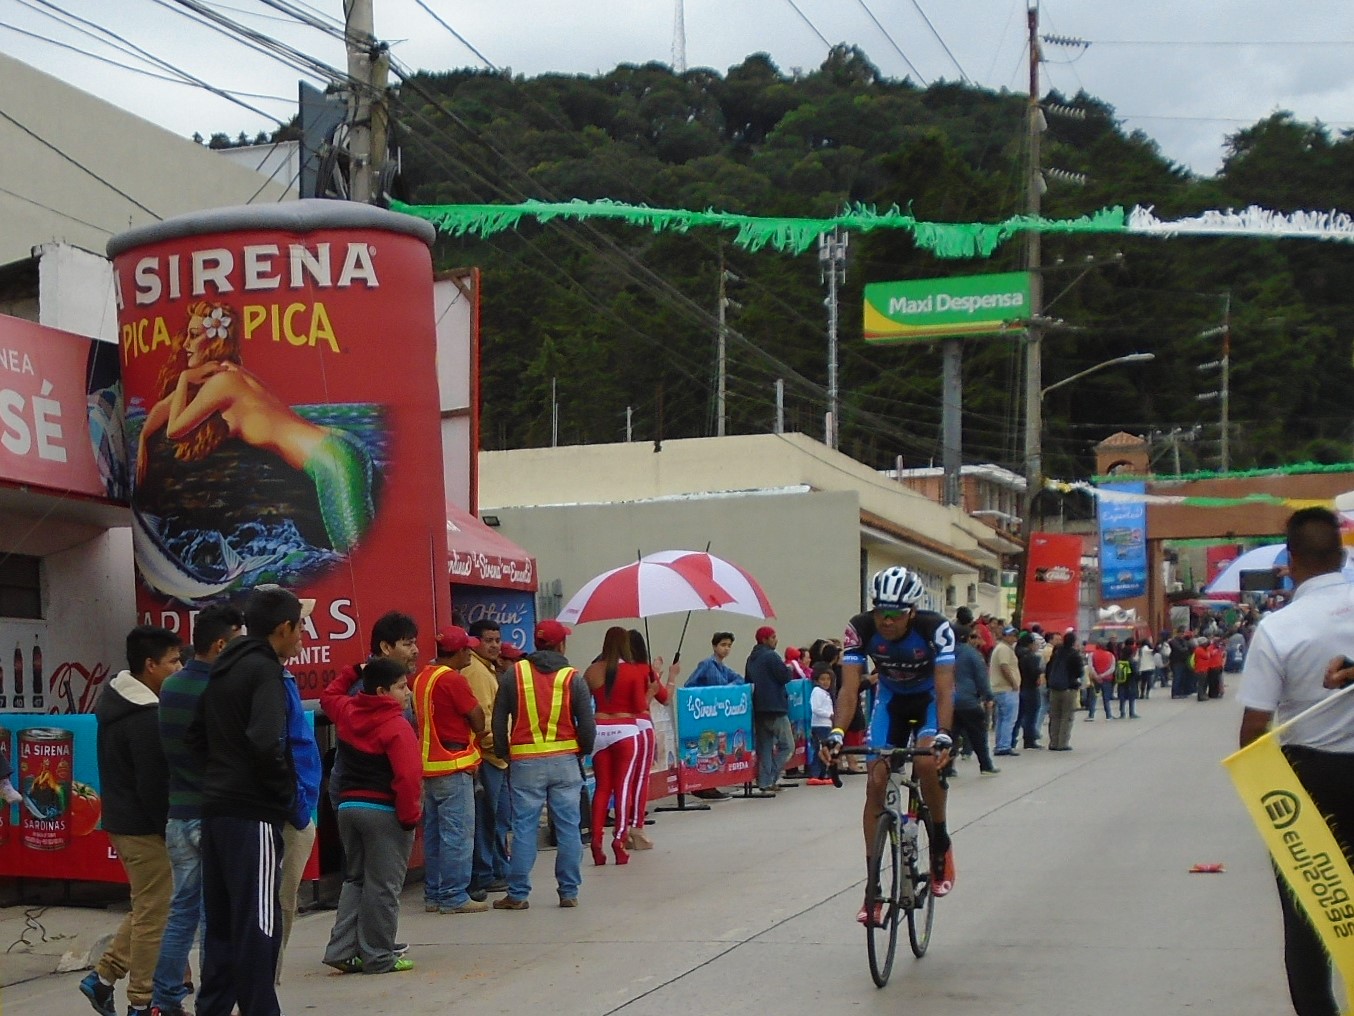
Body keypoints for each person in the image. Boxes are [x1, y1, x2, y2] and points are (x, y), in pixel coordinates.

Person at [136, 300, 373, 553]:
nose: (185, 345)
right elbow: (164, 408)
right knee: (363, 558)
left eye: (193, 336)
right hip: (338, 446)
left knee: (356, 563)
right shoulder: (231, 374)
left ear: (214, 340)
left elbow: (175, 430)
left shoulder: (221, 383)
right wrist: (143, 439)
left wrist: (184, 377)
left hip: (330, 462)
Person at [1238, 507, 1354, 1016]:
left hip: (1310, 779)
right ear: (1343, 553)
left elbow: (1254, 726)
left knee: (1308, 909)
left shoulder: (1279, 628)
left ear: (1290, 560)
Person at [187, 587, 306, 1016]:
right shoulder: (264, 672)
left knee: (221, 925)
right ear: (282, 629)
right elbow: (265, 741)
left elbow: (196, 738)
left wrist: (221, 776)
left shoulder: (222, 669)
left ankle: (214, 1008)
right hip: (252, 814)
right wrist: (283, 794)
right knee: (259, 924)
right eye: (300, 626)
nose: (303, 637)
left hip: (217, 811)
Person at [826, 566, 957, 920]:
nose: (885, 621)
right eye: (880, 612)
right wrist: (837, 733)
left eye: (894, 615)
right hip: (891, 703)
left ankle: (940, 844)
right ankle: (872, 888)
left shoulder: (935, 629)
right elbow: (849, 691)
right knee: (876, 780)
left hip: (928, 701)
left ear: (911, 612)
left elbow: (946, 690)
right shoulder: (860, 628)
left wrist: (943, 735)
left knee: (927, 763)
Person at [80, 626, 182, 1016]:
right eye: (172, 661)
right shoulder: (144, 716)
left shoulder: (117, 702)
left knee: (148, 907)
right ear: (149, 665)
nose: (179, 667)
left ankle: (102, 979)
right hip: (143, 827)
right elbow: (153, 785)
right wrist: (168, 829)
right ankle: (141, 1000)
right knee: (156, 913)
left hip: (125, 821)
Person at [151, 607, 243, 1016]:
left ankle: (165, 998)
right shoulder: (222, 689)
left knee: (181, 912)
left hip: (178, 814)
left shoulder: (170, 686)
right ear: (221, 645)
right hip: (212, 815)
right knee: (214, 917)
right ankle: (213, 1000)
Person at [320, 657, 422, 973]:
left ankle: (341, 950)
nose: (407, 693)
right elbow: (407, 777)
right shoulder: (396, 725)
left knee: (355, 880)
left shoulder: (348, 712)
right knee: (383, 886)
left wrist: (353, 668)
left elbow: (328, 696)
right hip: (383, 813)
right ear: (382, 691)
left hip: (349, 809)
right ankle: (379, 956)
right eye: (401, 687)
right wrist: (409, 817)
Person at [492, 619, 596, 909]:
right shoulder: (572, 677)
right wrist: (581, 751)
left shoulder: (514, 674)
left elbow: (499, 719)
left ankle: (518, 894)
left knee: (524, 828)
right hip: (564, 760)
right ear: (561, 644)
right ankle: (568, 892)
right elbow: (587, 724)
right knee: (568, 827)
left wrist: (504, 753)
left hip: (525, 762)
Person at [411, 626, 488, 915]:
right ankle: (454, 896)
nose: (470, 652)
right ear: (458, 652)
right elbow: (476, 717)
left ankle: (434, 894)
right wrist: (479, 733)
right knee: (457, 834)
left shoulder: (422, 678)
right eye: (467, 648)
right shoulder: (453, 680)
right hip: (453, 766)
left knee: (434, 835)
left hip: (429, 767)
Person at [583, 627, 647, 865]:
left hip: (599, 730)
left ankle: (596, 839)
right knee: (623, 788)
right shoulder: (631, 672)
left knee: (602, 788)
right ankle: (619, 839)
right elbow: (640, 706)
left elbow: (580, 699)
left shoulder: (592, 671)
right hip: (626, 731)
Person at [275, 660, 322, 986]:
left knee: (282, 900)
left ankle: (264, 981)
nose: (303, 636)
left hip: (294, 804)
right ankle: (261, 983)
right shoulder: (269, 680)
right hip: (286, 810)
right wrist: (298, 810)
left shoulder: (281, 677)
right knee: (279, 900)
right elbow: (276, 748)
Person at [463, 620, 511, 898]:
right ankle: (485, 874)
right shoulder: (478, 672)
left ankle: (496, 869)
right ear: (475, 642)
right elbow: (483, 721)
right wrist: (502, 746)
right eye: (488, 640)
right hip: (488, 756)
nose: (494, 645)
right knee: (488, 820)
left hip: (495, 756)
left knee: (497, 818)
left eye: (497, 639)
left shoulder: (488, 669)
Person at [625, 629, 677, 847]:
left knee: (623, 781)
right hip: (643, 726)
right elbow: (665, 698)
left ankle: (621, 827)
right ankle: (636, 826)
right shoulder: (644, 671)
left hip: (616, 729)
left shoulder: (611, 671)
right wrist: (672, 676)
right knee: (640, 779)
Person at [746, 626, 795, 794]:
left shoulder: (751, 658)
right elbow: (785, 677)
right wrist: (788, 669)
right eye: (773, 637)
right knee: (787, 746)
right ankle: (771, 776)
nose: (776, 640)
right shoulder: (771, 656)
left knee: (765, 748)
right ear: (765, 639)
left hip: (759, 708)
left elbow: (748, 680)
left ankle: (765, 783)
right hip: (775, 707)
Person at [952, 627, 999, 775]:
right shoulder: (972, 654)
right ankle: (985, 765)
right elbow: (981, 678)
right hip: (968, 701)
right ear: (967, 638)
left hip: (948, 701)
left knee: (950, 736)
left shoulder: (943, 653)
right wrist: (988, 696)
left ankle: (946, 768)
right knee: (978, 735)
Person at [1045, 631, 1084, 751]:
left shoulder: (1056, 652)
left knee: (1055, 715)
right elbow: (1079, 672)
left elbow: (1048, 668)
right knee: (1066, 716)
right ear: (1073, 642)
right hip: (1068, 688)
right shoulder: (1074, 654)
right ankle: (1062, 743)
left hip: (1054, 687)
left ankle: (1053, 742)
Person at [989, 626, 1021, 756]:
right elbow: (1004, 666)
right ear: (1004, 636)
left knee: (1002, 718)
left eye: (1015, 635)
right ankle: (1004, 745)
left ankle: (1001, 744)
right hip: (1006, 688)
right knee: (1009, 718)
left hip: (1000, 688)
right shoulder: (1004, 649)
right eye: (1011, 635)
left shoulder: (1002, 648)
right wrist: (1013, 682)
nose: (1013, 638)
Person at [806, 668, 837, 784]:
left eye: (828, 679)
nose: (826, 682)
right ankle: (815, 774)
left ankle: (823, 774)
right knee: (820, 750)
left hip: (826, 725)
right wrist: (829, 715)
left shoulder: (826, 693)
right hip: (819, 725)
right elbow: (815, 708)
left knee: (826, 749)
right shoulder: (817, 692)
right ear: (817, 681)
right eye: (823, 679)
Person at [1016, 631, 1045, 749]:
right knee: (1031, 715)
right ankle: (1029, 739)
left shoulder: (1016, 654)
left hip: (1019, 687)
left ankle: (1013, 739)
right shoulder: (1032, 657)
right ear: (1030, 644)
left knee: (1019, 715)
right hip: (1030, 688)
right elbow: (1034, 673)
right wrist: (1039, 674)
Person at [1086, 640, 1116, 720]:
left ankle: (1091, 715)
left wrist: (1096, 676)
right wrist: (1102, 675)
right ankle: (1108, 715)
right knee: (1106, 698)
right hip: (1107, 679)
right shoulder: (1111, 655)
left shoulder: (1092, 655)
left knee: (1093, 697)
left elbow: (1090, 666)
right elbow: (1112, 668)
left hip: (1095, 679)